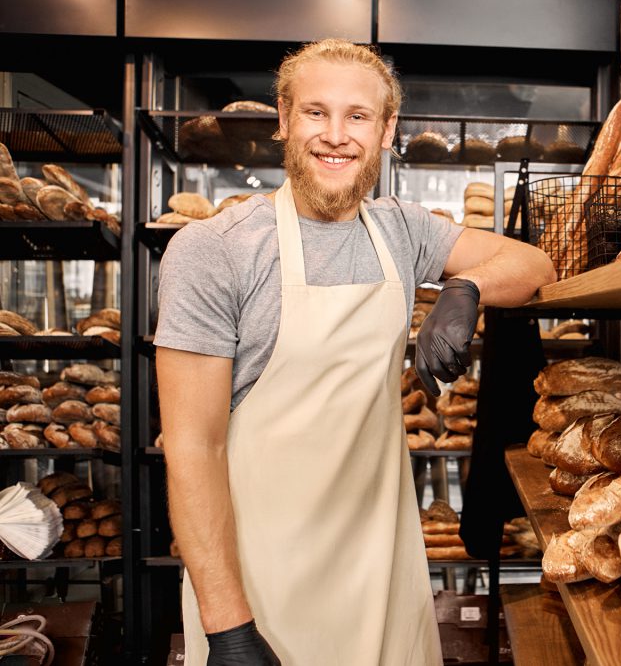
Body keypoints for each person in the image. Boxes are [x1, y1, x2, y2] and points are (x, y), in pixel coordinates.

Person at [155, 38, 556, 665]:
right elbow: (192, 449)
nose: (335, 135)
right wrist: (228, 626)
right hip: (261, 584)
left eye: (358, 116)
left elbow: (534, 262)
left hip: (383, 571)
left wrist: (466, 287)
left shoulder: (401, 229)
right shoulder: (213, 251)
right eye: (316, 112)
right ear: (284, 119)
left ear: (387, 129)